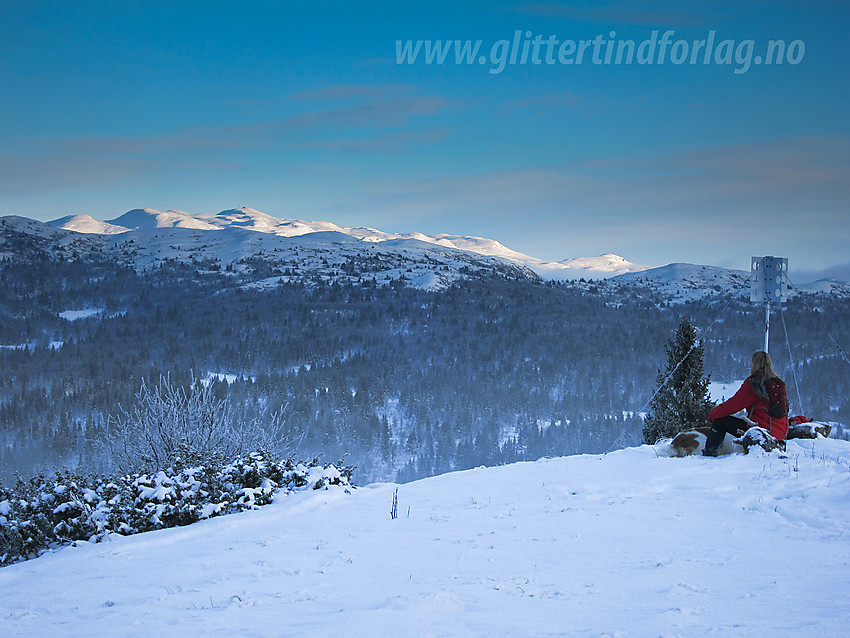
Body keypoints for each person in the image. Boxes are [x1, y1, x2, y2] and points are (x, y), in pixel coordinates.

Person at [703, 350, 789, 456]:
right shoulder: (778, 384)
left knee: (720, 421)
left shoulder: (754, 385)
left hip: (761, 433)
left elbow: (732, 406)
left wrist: (711, 415)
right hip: (779, 436)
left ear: (754, 364)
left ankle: (709, 453)